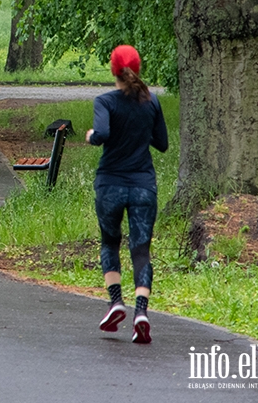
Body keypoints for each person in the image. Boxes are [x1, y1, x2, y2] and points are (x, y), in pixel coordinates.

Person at [85, 45, 168, 344]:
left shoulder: (104, 101)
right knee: (141, 250)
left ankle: (115, 302)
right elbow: (162, 143)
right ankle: (141, 312)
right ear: (138, 68)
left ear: (113, 69)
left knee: (110, 242)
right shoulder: (152, 102)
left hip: (110, 184)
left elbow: (103, 134)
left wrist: (92, 136)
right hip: (144, 185)